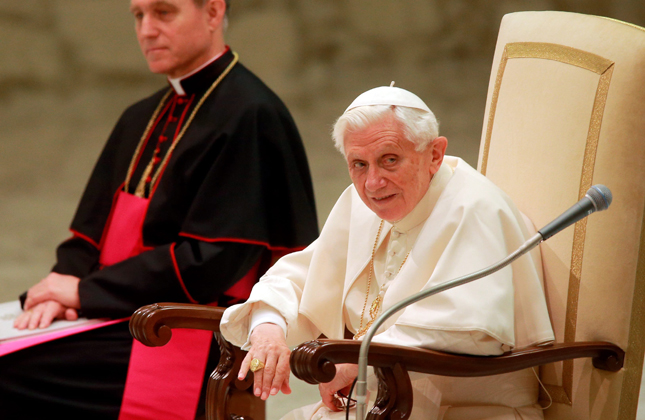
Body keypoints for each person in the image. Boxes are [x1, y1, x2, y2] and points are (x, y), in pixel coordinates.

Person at [0, 0, 318, 418]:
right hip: (117, 313)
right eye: (138, 15)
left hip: (190, 330)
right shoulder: (140, 115)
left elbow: (211, 263)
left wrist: (83, 292)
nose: (147, 30)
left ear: (212, 12)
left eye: (164, 12)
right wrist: (61, 285)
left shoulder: (251, 115)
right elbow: (87, 236)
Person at [220, 85, 555, 420]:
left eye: (389, 160)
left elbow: (471, 329)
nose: (372, 183)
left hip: (471, 412)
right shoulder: (361, 205)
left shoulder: (476, 209)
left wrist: (356, 360)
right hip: (378, 406)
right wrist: (268, 327)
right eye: (359, 164)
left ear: (434, 154)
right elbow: (297, 277)